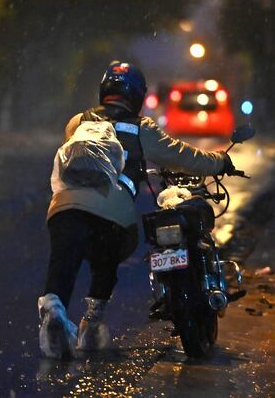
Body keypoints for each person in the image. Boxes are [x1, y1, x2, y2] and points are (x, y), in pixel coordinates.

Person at [38, 60, 234, 359]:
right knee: (106, 259)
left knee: (64, 262)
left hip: (63, 208)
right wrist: (220, 161)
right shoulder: (143, 128)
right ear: (138, 96)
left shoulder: (78, 122)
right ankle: (92, 323)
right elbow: (184, 157)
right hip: (112, 212)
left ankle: (53, 305)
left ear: (104, 89)